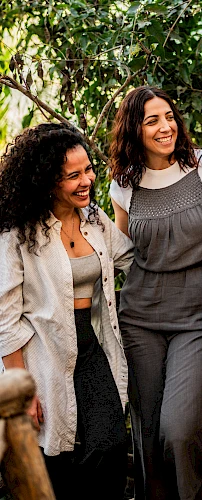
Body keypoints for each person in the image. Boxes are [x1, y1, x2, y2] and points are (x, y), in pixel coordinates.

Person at [109, 86, 202, 500]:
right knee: (147, 437)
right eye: (152, 120)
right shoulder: (123, 184)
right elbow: (124, 250)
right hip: (140, 317)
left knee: (180, 430)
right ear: (134, 130)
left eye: (169, 116)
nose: (166, 127)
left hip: (199, 318)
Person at [0, 123, 134, 499]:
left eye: (88, 170)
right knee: (56, 455)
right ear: (46, 181)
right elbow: (4, 318)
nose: (86, 180)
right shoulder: (18, 234)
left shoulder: (94, 219)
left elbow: (131, 258)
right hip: (40, 352)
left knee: (107, 444)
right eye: (72, 175)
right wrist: (21, 390)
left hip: (93, 345)